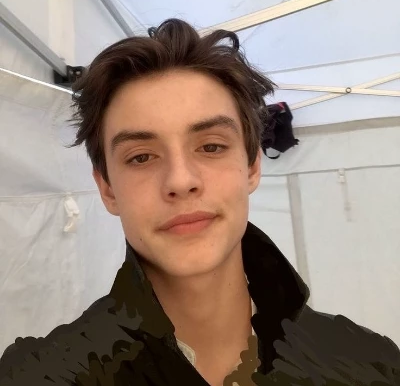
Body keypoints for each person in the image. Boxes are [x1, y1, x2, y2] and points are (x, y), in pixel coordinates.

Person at [0, 19, 399, 386]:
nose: (181, 180)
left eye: (211, 147)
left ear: (252, 166)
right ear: (107, 188)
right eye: (141, 157)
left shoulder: (372, 366)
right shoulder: (36, 377)